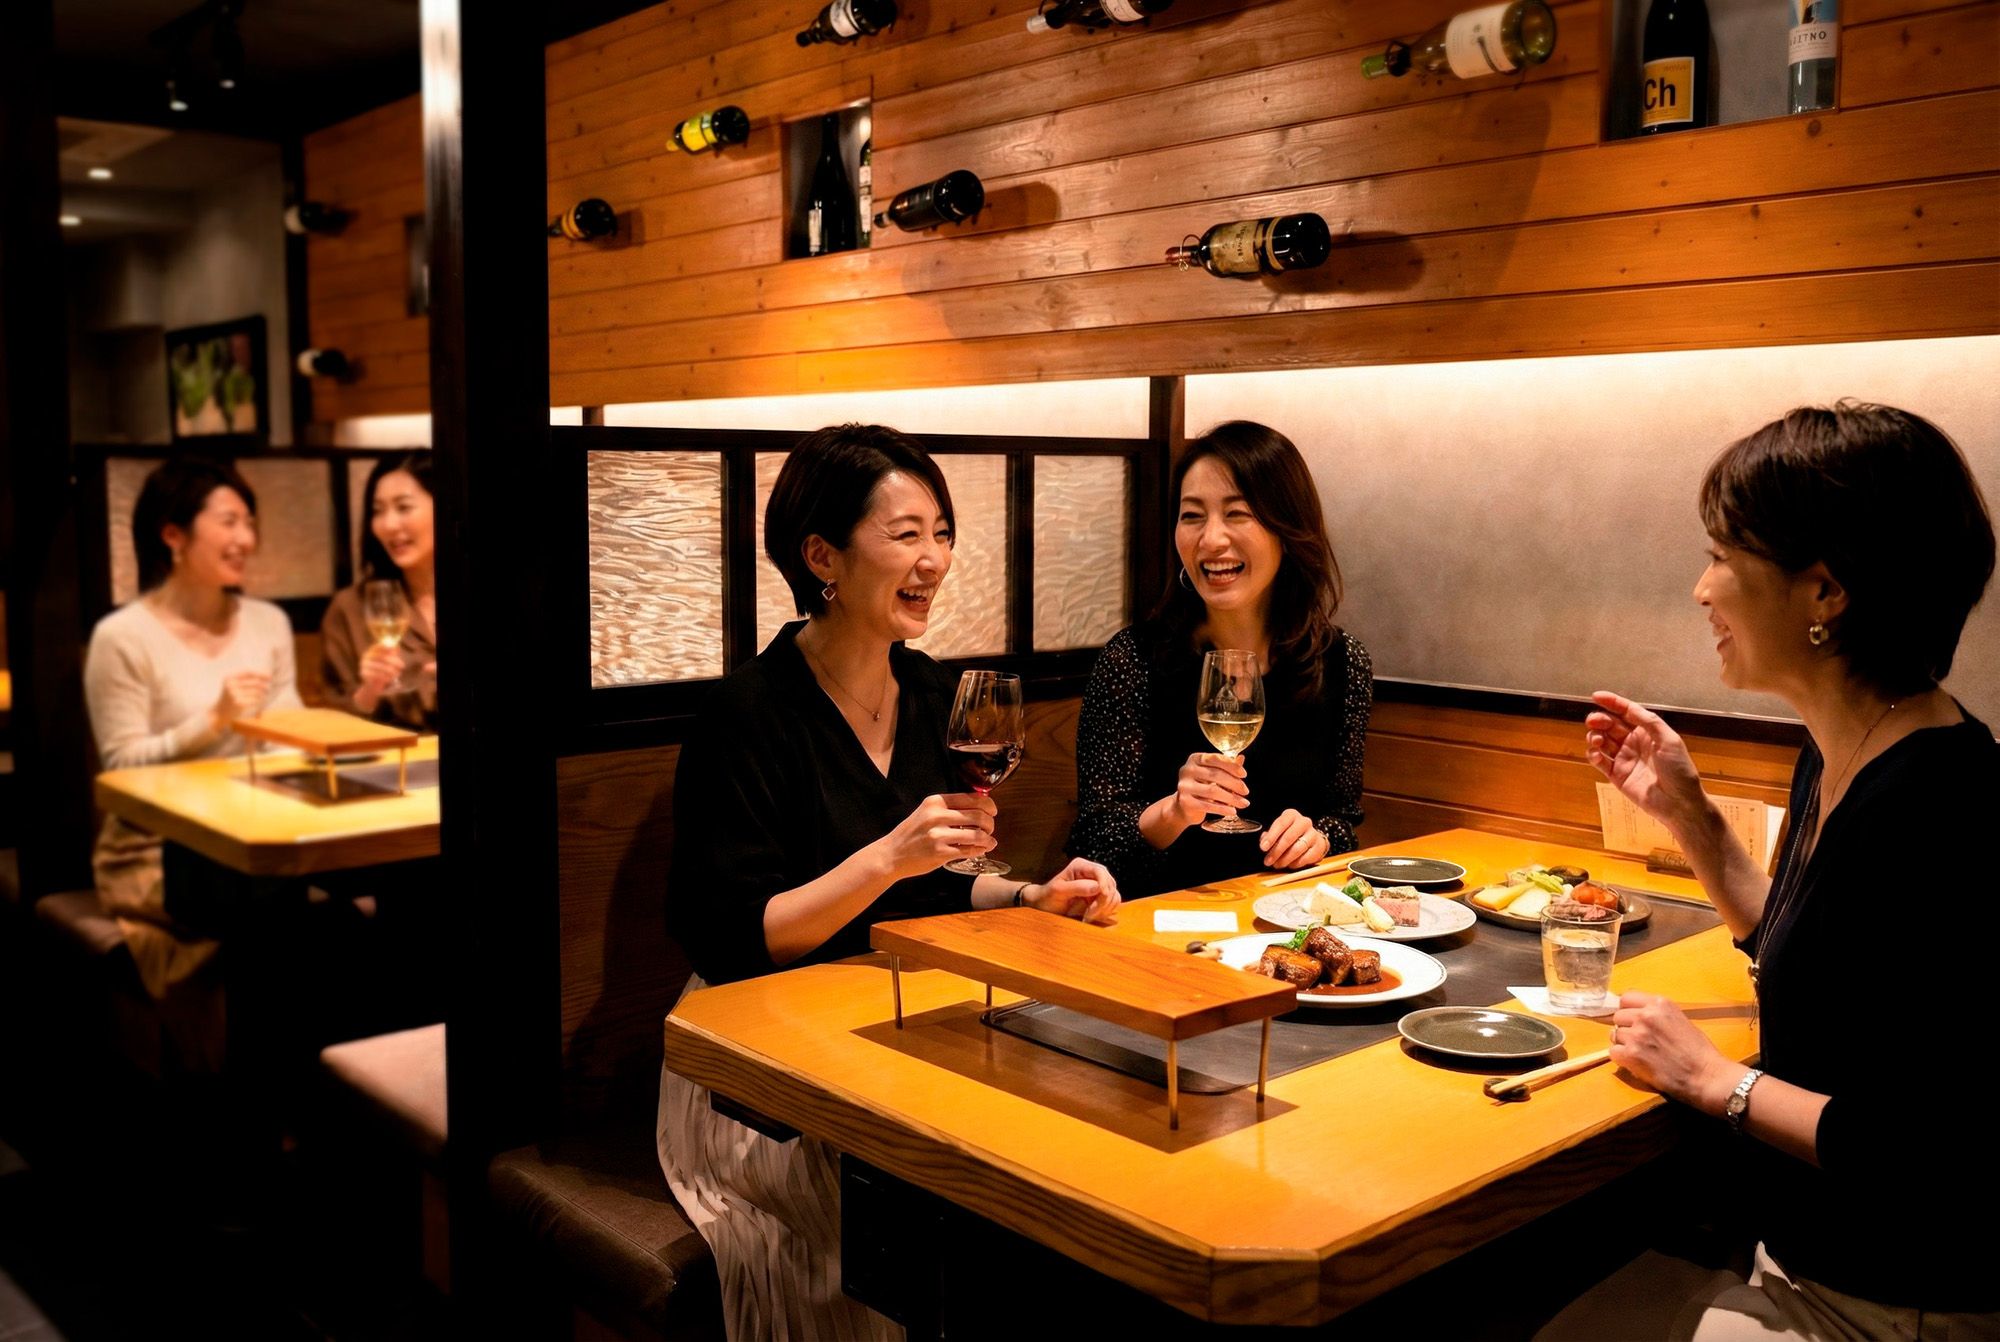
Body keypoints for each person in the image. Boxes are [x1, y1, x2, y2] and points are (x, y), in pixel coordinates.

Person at [657, 423, 1121, 1342]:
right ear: (822, 556)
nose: (934, 559)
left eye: (941, 532)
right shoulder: (745, 713)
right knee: (887, 1231)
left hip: (888, 1020)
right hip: (759, 1068)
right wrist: (885, 858)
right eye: (906, 534)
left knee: (1053, 1155)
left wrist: (1027, 897)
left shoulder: (932, 692)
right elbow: (733, 938)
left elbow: (934, 888)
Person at [1546, 403, 1997, 1338]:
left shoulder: (1944, 810)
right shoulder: (1842, 748)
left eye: (1722, 555)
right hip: (1802, 1258)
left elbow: (1933, 1153)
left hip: (1889, 1304)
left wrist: (1717, 1080)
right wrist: (1690, 816)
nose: (1701, 589)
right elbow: (1817, 954)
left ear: (1824, 591)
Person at [1069, 420, 1372, 898]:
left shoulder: (1341, 662)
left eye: (1237, 513)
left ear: (1287, 528)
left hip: (1283, 915)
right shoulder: (1134, 659)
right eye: (1192, 515)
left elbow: (1343, 821)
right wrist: (1173, 811)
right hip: (1155, 918)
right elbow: (1093, 842)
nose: (1211, 539)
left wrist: (1317, 837)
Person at [83, 456, 303, 1070]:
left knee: (329, 916)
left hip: (253, 833)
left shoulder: (268, 623)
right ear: (173, 534)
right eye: (229, 521)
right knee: (278, 918)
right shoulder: (123, 637)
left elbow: (289, 732)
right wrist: (213, 721)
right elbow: (120, 766)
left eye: (250, 522)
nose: (246, 539)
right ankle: (259, 1093)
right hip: (154, 848)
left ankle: (314, 1091)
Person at [321, 451, 437, 731]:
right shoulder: (351, 608)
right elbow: (332, 727)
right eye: (378, 511)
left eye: (403, 507)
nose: (388, 525)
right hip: (394, 757)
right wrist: (369, 691)